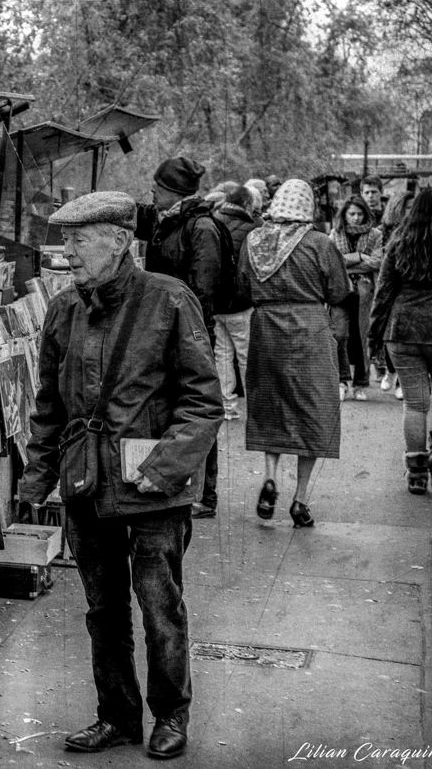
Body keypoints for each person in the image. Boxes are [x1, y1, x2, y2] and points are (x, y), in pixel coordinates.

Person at [19, 191, 222, 761]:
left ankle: (171, 717)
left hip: (152, 489)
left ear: (118, 241)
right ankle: (117, 717)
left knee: (160, 607)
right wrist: (37, 478)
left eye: (79, 240)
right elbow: (49, 406)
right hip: (88, 482)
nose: (69, 252)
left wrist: (166, 468)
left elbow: (204, 401)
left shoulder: (169, 299)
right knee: (103, 610)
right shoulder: (63, 309)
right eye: (65, 240)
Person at [241, 179, 350, 528]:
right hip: (309, 329)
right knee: (313, 409)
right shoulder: (319, 243)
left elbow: (242, 286)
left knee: (270, 406)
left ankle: (270, 476)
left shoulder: (253, 240)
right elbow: (337, 290)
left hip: (265, 330)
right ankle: (300, 499)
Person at [136, 156, 222, 519]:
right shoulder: (165, 220)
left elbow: (203, 289)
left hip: (190, 334)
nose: (152, 189)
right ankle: (175, 479)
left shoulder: (201, 229)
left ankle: (204, 491)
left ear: (174, 191)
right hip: (163, 330)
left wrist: (186, 332)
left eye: (158, 185)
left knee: (196, 408)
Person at [369, 187, 432, 496]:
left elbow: (383, 292)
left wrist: (374, 336)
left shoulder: (400, 242)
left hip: (403, 329)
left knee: (415, 403)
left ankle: (417, 473)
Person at [213, 185, 261, 420]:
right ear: (248, 205)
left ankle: (227, 406)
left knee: (221, 355)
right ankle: (254, 407)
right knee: (246, 356)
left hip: (216, 303)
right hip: (241, 303)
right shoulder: (254, 228)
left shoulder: (212, 221)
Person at [329, 197, 384, 401]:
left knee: (362, 337)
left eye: (360, 214)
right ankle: (342, 380)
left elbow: (377, 262)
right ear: (344, 214)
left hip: (364, 291)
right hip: (340, 290)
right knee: (339, 335)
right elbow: (333, 262)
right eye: (351, 213)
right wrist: (360, 256)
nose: (356, 218)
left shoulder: (375, 234)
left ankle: (361, 383)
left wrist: (349, 261)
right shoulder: (335, 233)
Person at [378, 192, 416, 397]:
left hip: (407, 290)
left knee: (405, 335)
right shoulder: (385, 231)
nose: (412, 211)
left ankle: (402, 381)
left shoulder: (420, 231)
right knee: (387, 331)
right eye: (408, 207)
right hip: (387, 285)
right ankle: (391, 369)